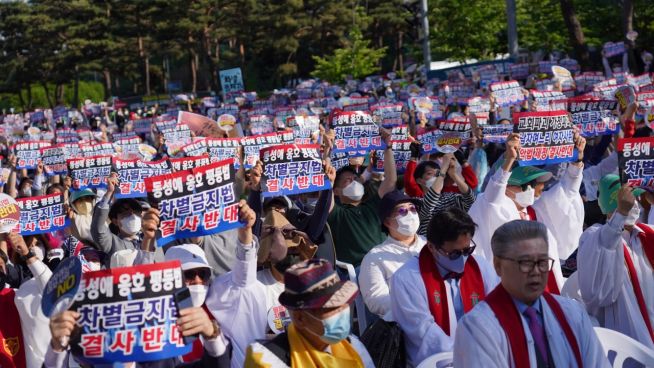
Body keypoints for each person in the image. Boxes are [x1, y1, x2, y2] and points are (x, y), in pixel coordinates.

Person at [454, 220, 609, 367]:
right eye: (525, 263)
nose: (536, 272)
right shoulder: (479, 327)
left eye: (542, 262)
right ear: (498, 265)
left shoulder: (572, 313)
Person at [468, 132, 586, 291]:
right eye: (525, 184)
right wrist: (509, 159)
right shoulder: (494, 208)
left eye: (533, 183)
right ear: (507, 186)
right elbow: (494, 189)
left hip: (548, 287)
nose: (531, 189)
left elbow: (568, 190)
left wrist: (576, 159)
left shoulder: (537, 209)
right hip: (509, 290)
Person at [390, 207, 499, 366]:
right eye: (454, 254)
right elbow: (424, 331)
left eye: (467, 250)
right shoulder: (407, 278)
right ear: (432, 247)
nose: (463, 259)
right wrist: (465, 357)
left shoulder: (479, 266)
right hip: (436, 361)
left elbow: (495, 310)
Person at [244, 258, 374, 367]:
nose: (342, 311)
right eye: (330, 308)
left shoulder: (353, 346)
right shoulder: (267, 360)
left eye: (343, 303)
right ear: (300, 318)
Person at [577, 175, 654, 350]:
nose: (635, 204)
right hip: (621, 340)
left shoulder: (646, 234)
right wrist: (620, 214)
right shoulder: (593, 236)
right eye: (630, 199)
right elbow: (598, 293)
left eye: (636, 199)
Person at [205, 200, 268, 368]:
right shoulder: (172, 308)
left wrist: (246, 231)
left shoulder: (226, 288)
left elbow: (244, 264)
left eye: (201, 273)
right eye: (188, 274)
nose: (196, 280)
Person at [327, 130, 397, 268]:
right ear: (336, 191)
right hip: (361, 268)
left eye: (355, 179)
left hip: (389, 261)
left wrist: (388, 148)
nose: (354, 182)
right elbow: (326, 191)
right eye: (348, 180)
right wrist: (327, 152)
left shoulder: (373, 205)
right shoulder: (337, 214)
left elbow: (390, 180)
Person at [359, 190, 426, 320]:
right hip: (403, 322)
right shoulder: (374, 258)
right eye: (402, 211)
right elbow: (375, 299)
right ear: (387, 222)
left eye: (412, 209)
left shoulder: (430, 246)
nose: (410, 214)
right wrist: (411, 309)